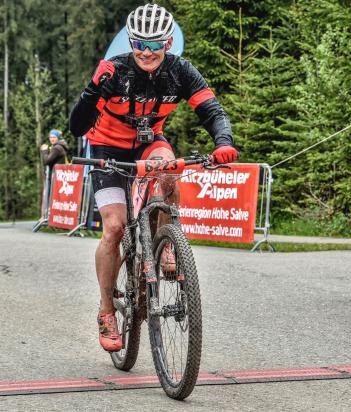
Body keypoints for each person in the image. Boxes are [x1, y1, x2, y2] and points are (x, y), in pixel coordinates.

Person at [69, 3, 238, 352]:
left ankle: (164, 242)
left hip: (148, 145)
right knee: (114, 228)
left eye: (155, 44)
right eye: (139, 44)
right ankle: (106, 312)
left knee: (170, 167)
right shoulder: (114, 72)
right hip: (107, 149)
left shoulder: (181, 71)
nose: (147, 52)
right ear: (130, 43)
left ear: (168, 42)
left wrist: (223, 143)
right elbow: (78, 127)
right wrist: (91, 88)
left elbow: (212, 111)